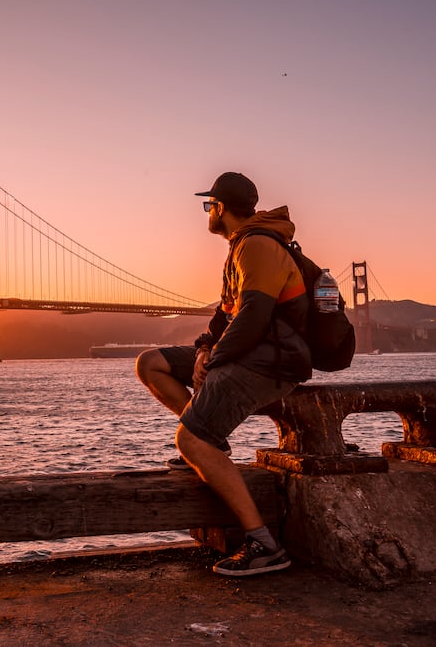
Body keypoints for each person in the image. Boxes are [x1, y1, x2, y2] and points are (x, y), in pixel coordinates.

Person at [135, 171, 311, 576]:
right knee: (151, 362)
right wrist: (202, 348)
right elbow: (225, 314)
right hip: (248, 353)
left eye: (208, 205)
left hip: (272, 362)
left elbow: (254, 316)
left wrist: (212, 363)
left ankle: (264, 545)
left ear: (220, 207)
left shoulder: (259, 246)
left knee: (190, 440)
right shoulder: (240, 245)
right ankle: (210, 444)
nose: (207, 213)